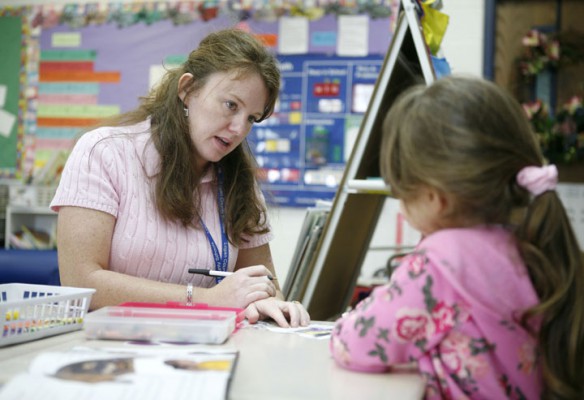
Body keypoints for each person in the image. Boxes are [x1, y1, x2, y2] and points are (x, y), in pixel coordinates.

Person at [330, 75, 584, 399]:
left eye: (401, 191)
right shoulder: (530, 238)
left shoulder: (440, 261)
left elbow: (356, 344)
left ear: (435, 198)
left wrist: (345, 322)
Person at [50, 28, 310, 328]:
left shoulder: (238, 178)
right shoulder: (104, 152)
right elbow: (81, 281)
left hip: (204, 350)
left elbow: (263, 279)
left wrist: (267, 300)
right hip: (110, 349)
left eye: (252, 118)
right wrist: (206, 299)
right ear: (187, 90)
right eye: (231, 105)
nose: (239, 128)